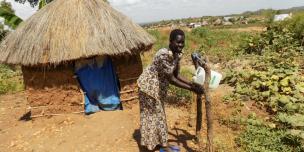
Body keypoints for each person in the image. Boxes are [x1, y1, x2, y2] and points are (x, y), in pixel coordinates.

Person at [137, 29, 203, 151]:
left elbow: (177, 74)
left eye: (183, 42)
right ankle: (157, 145)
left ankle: (160, 143)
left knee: (158, 115)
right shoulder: (163, 55)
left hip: (158, 89)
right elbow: (171, 78)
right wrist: (191, 89)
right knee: (152, 116)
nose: (181, 45)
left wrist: (192, 84)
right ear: (171, 42)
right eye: (178, 42)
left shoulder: (178, 54)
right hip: (148, 88)